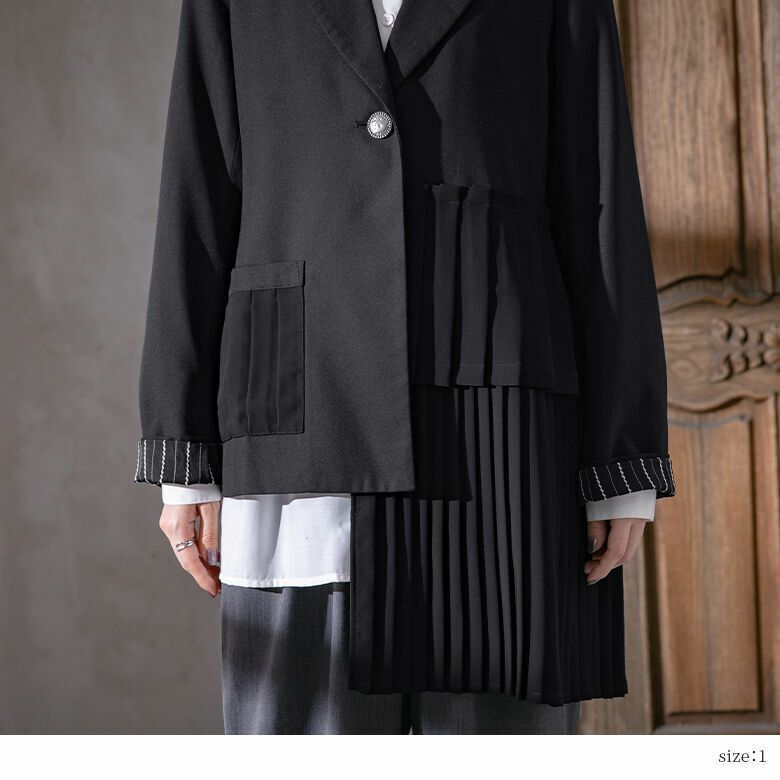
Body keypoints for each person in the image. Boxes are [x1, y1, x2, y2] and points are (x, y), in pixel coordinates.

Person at [135, 0, 675, 734]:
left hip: (502, 433)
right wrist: (184, 458)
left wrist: (622, 460)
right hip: (302, 412)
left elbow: (599, 194)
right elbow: (196, 193)